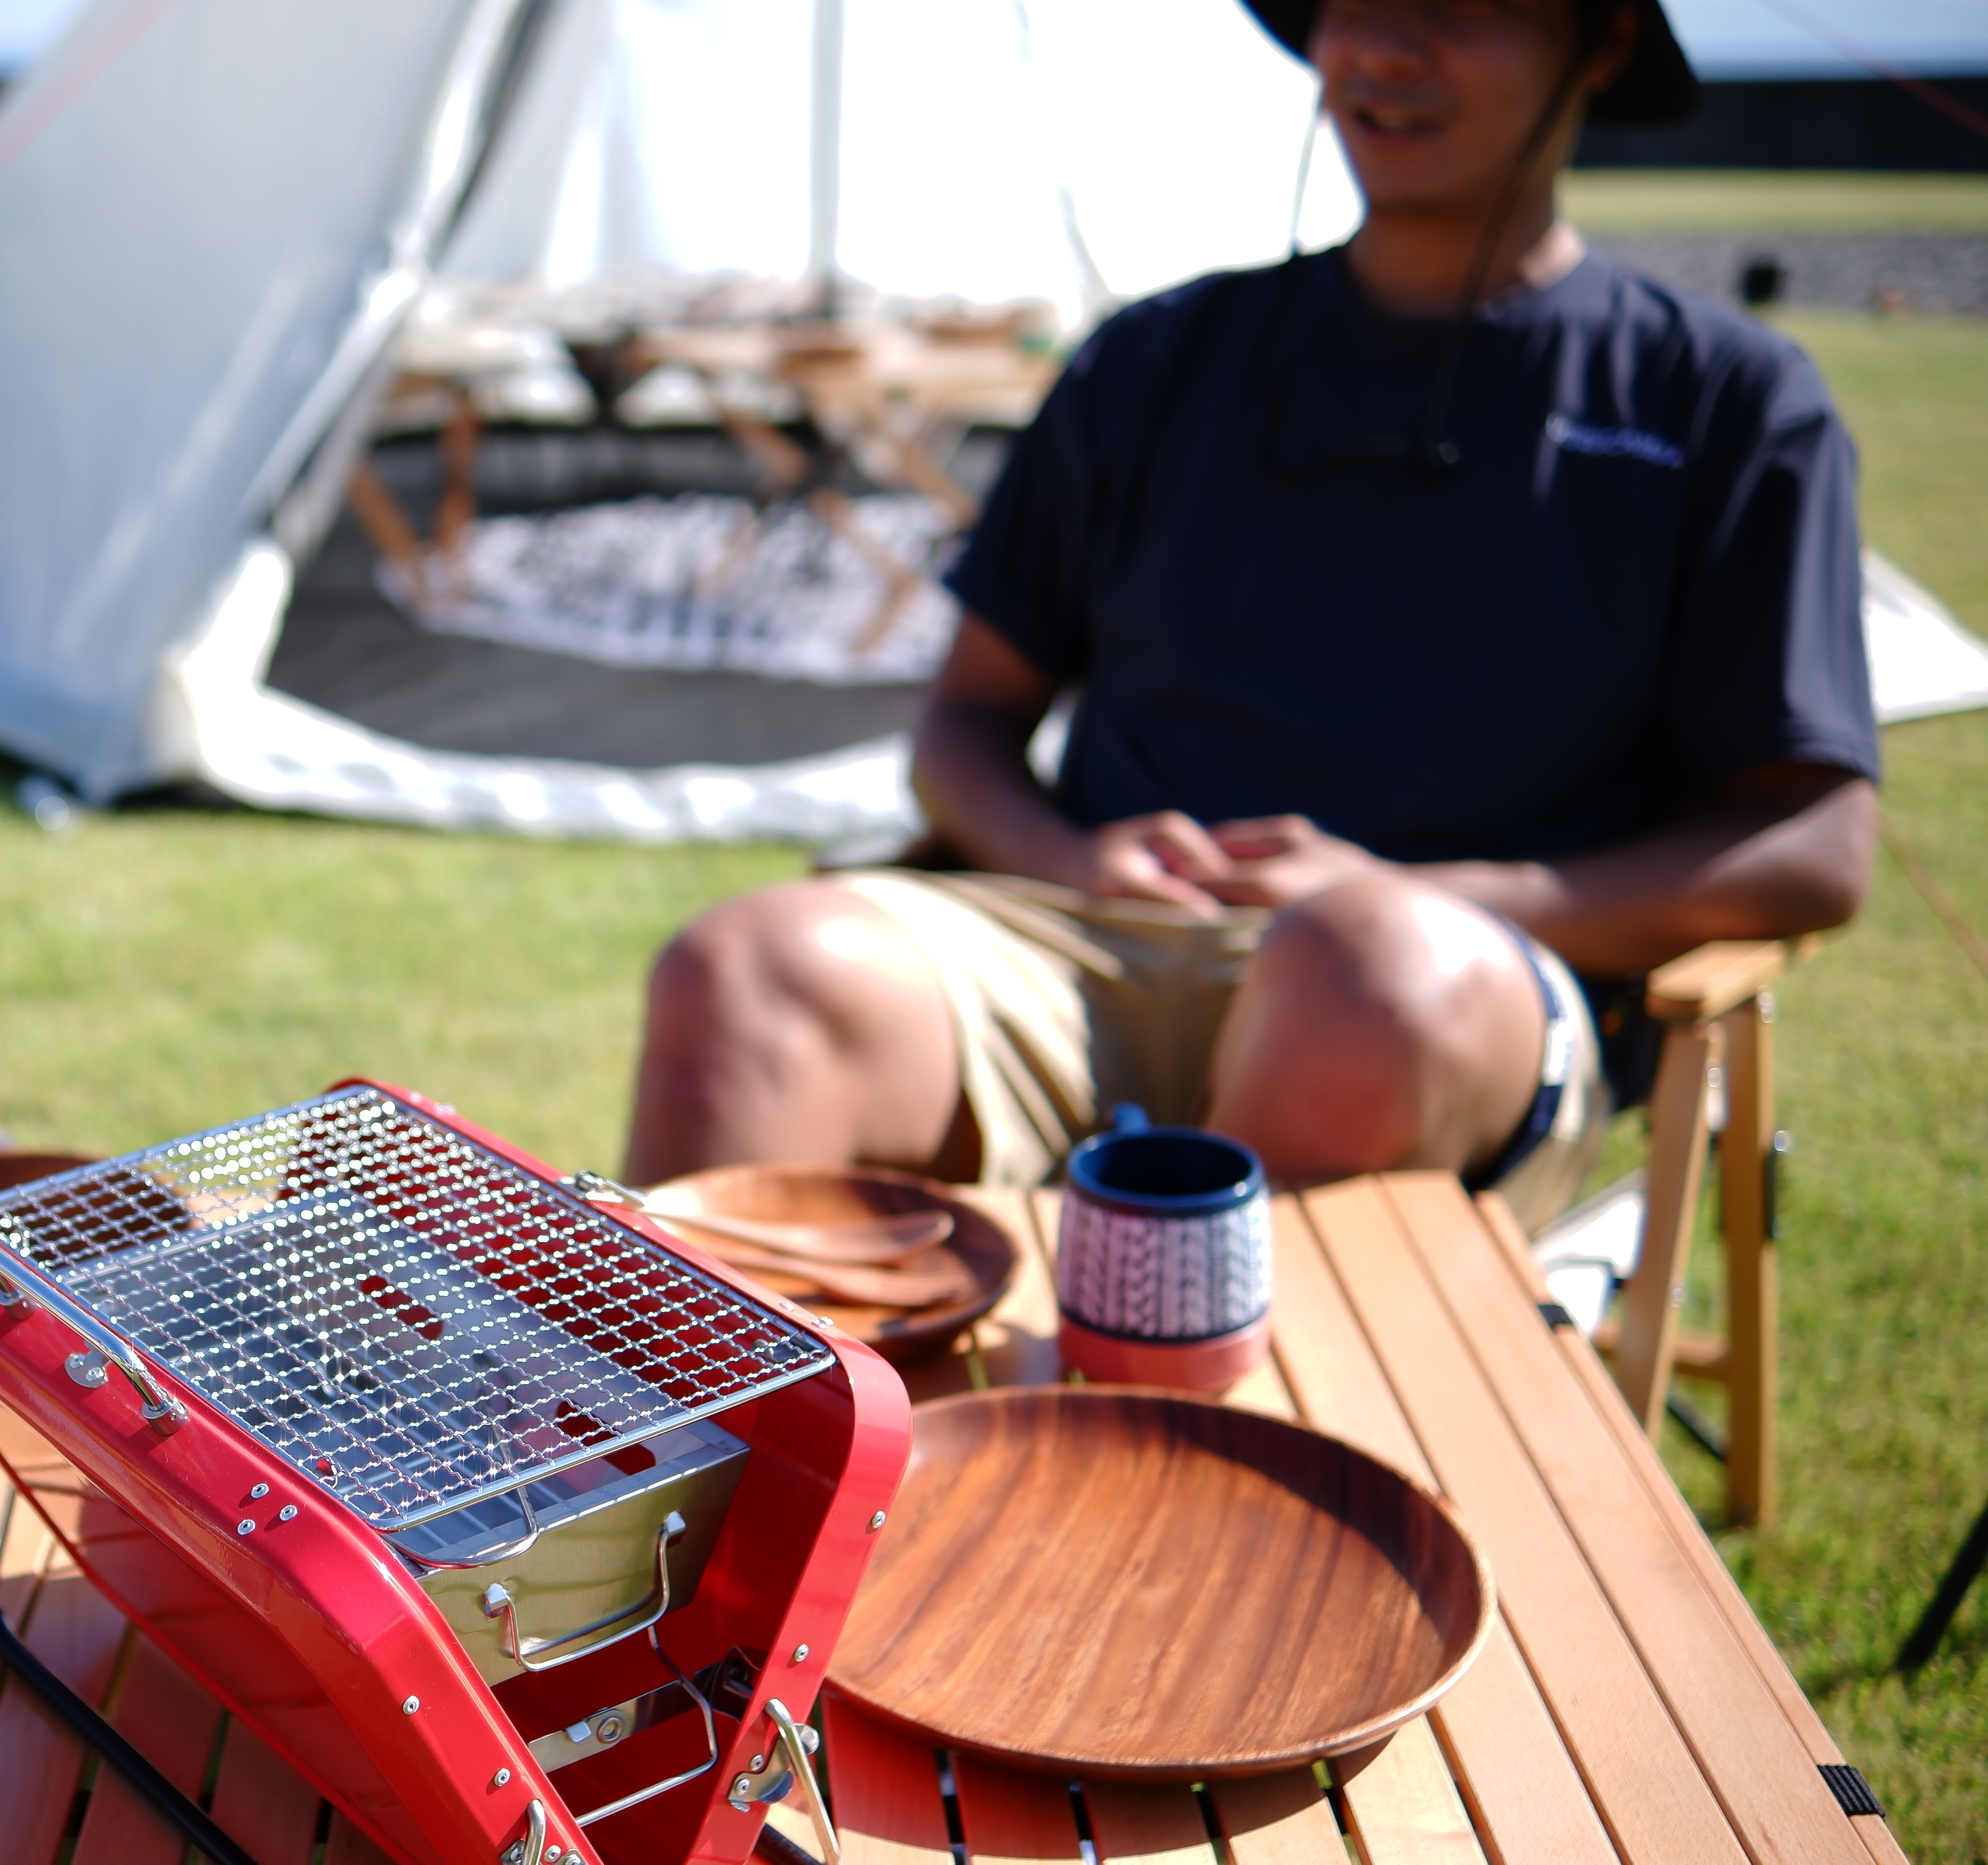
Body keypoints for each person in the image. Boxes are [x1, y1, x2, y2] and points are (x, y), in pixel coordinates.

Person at [623, 0, 1878, 1225]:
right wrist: (1070, 855)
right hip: (1092, 942)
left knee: (1361, 970)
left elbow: (1815, 847)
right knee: (744, 971)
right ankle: (733, 1436)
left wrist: (1420, 890)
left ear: (1600, 40)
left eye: (1465, 2)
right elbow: (964, 724)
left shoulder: (1722, 398)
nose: (1390, 43)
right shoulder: (1155, 357)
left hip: (1450, 986)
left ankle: (1193, 1428)